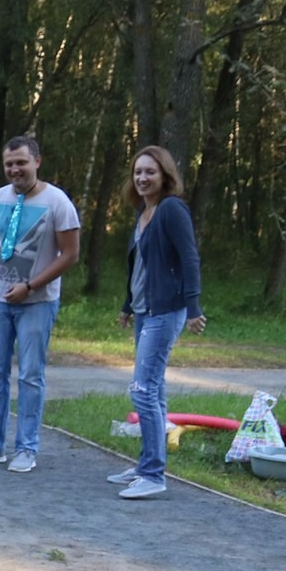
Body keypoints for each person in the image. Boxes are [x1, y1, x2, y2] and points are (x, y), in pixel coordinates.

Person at [0, 134, 81, 472]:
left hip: (37, 302)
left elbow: (70, 255)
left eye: (22, 163)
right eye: (9, 164)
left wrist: (30, 286)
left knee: (30, 375)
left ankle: (26, 447)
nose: (15, 170)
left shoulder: (57, 202)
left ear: (37, 162)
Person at [109, 145, 206, 500]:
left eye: (150, 171)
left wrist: (193, 307)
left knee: (142, 390)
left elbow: (189, 259)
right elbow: (139, 266)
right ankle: (146, 465)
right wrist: (127, 304)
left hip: (166, 311)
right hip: (144, 310)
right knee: (154, 389)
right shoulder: (144, 211)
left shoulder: (171, 209)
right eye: (138, 172)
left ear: (165, 175)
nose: (142, 178)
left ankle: (153, 475)